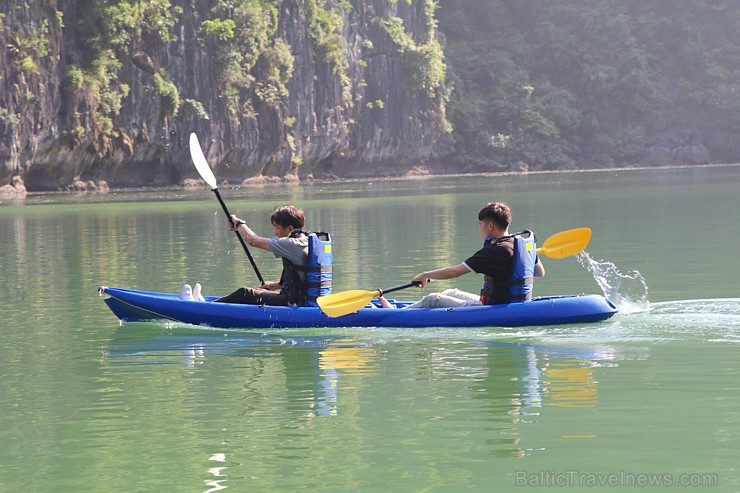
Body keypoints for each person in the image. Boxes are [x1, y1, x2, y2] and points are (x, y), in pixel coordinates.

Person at [379, 201, 545, 309]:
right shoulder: (523, 244)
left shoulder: (494, 251)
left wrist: (424, 274)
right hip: (516, 302)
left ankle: (393, 313)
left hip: (496, 307)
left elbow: (454, 272)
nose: (480, 229)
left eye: (481, 226)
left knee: (432, 299)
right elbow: (540, 273)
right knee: (452, 292)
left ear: (490, 226)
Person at [212, 205, 315, 306]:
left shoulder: (292, 243)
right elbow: (303, 277)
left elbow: (253, 241)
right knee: (258, 292)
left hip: (294, 303)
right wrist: (274, 285)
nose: (275, 232)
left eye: (277, 228)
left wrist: (238, 222)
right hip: (304, 300)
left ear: (290, 228)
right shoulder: (308, 241)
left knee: (244, 293)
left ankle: (208, 306)